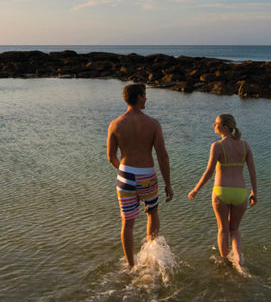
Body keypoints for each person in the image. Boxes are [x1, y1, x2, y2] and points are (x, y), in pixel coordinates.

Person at [106, 83, 173, 268]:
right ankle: (152, 258)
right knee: (152, 213)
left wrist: (124, 171)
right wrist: (168, 184)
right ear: (138, 97)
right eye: (145, 95)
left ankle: (130, 265)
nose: (146, 98)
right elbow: (162, 155)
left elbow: (110, 156)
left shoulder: (115, 124)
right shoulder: (152, 124)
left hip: (125, 175)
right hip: (147, 177)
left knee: (127, 223)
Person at [187, 114, 257, 267]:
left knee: (223, 229)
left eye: (216, 123)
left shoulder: (217, 146)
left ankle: (225, 262)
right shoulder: (245, 145)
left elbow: (209, 172)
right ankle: (238, 257)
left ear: (225, 127)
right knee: (235, 229)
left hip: (221, 192)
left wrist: (196, 189)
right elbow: (252, 171)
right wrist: (254, 192)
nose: (214, 125)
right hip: (240, 192)